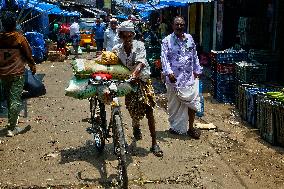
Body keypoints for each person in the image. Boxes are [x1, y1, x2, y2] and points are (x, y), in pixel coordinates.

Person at [112, 21, 163, 157]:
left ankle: (154, 143)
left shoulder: (140, 45)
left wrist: (135, 74)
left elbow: (141, 62)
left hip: (143, 81)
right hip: (128, 83)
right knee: (132, 108)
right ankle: (135, 125)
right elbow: (111, 61)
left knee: (149, 109)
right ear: (121, 36)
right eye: (125, 36)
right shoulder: (117, 49)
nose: (127, 39)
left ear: (133, 35)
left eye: (130, 36)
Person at [161, 16, 203, 139]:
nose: (179, 27)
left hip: (189, 78)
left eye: (182, 25)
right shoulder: (166, 41)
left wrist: (197, 69)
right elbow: (164, 59)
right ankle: (176, 127)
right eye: (177, 24)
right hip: (174, 80)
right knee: (174, 106)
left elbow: (194, 55)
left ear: (184, 26)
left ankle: (190, 128)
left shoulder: (190, 39)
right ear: (173, 26)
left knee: (192, 103)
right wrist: (169, 72)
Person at [0, 11, 36, 137]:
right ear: (14, 23)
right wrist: (32, 66)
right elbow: (28, 54)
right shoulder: (19, 38)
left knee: (9, 99)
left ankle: (11, 123)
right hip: (17, 73)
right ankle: (12, 128)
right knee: (15, 99)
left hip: (3, 74)